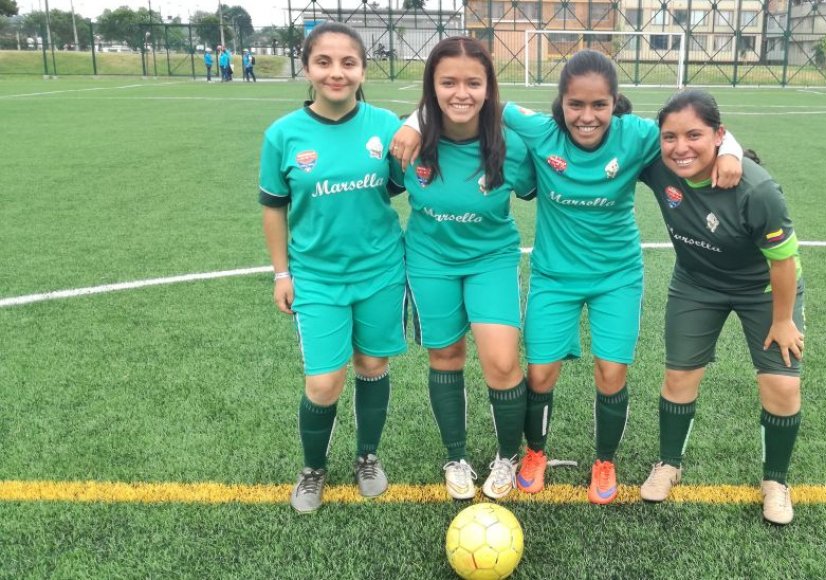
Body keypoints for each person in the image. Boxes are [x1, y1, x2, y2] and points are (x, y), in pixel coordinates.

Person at [391, 50, 743, 505]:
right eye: (576, 104)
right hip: (554, 276)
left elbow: (689, 133)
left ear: (615, 103)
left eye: (599, 105)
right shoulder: (540, 132)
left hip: (616, 274)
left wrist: (730, 150)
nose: (587, 116)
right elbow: (482, 103)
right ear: (560, 104)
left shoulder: (636, 136)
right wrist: (415, 123)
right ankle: (533, 453)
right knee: (539, 373)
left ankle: (604, 460)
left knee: (611, 369)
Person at [636, 90, 805, 526]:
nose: (680, 147)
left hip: (763, 290)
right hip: (696, 284)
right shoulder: (657, 166)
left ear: (719, 135)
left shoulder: (757, 189)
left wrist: (783, 320)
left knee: (782, 387)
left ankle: (775, 481)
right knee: (678, 376)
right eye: (670, 136)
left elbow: (784, 262)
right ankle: (669, 464)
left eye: (695, 135)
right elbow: (611, 133)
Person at [258, 21, 407, 514]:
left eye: (348, 62)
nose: (336, 73)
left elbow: (401, 180)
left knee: (371, 364)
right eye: (324, 62)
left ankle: (367, 456)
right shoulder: (283, 135)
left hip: (381, 269)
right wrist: (282, 273)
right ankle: (313, 467)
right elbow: (274, 206)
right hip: (317, 276)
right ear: (307, 68)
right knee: (324, 381)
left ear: (363, 69)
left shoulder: (386, 125)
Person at [400, 37, 537, 501]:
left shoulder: (513, 146)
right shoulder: (406, 143)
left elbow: (564, 162)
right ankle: (455, 457)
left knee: (501, 363)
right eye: (449, 82)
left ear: (488, 87)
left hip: (490, 261)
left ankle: (506, 456)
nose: (461, 93)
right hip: (429, 261)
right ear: (431, 86)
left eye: (473, 82)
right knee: (446, 357)